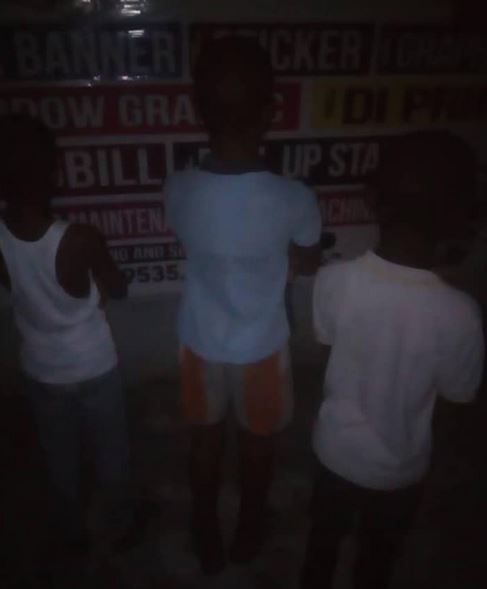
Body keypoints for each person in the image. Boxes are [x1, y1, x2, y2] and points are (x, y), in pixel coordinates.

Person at [164, 38, 321, 574]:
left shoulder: (177, 188)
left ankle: (205, 527)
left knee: (204, 442)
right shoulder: (293, 198)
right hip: (261, 348)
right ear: (270, 112)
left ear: (199, 111)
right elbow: (308, 258)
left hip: (198, 342)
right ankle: (250, 526)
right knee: (258, 447)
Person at [301, 131, 485, 589]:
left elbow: (329, 361)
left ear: (372, 200)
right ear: (459, 218)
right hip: (400, 473)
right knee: (377, 562)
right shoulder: (461, 316)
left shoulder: (332, 281)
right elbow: (452, 408)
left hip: (334, 453)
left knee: (320, 548)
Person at [0, 114, 133, 553]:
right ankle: (119, 526)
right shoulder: (78, 238)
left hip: (41, 367)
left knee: (59, 455)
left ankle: (71, 533)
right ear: (51, 172)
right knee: (111, 452)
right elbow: (118, 288)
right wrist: (103, 285)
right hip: (93, 364)